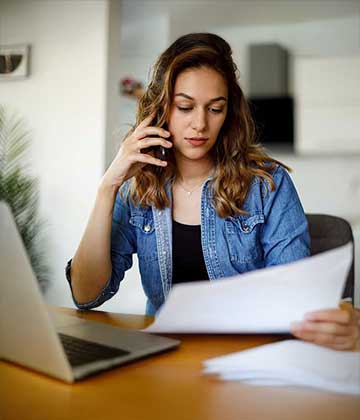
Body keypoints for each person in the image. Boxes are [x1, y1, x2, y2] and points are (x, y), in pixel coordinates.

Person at [66, 33, 359, 351]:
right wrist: (108, 186)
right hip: (166, 357)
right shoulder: (138, 189)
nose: (200, 124)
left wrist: (342, 316)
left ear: (228, 114)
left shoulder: (267, 184)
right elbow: (87, 296)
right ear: (162, 110)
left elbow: (295, 298)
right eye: (185, 107)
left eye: (215, 109)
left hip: (249, 355)